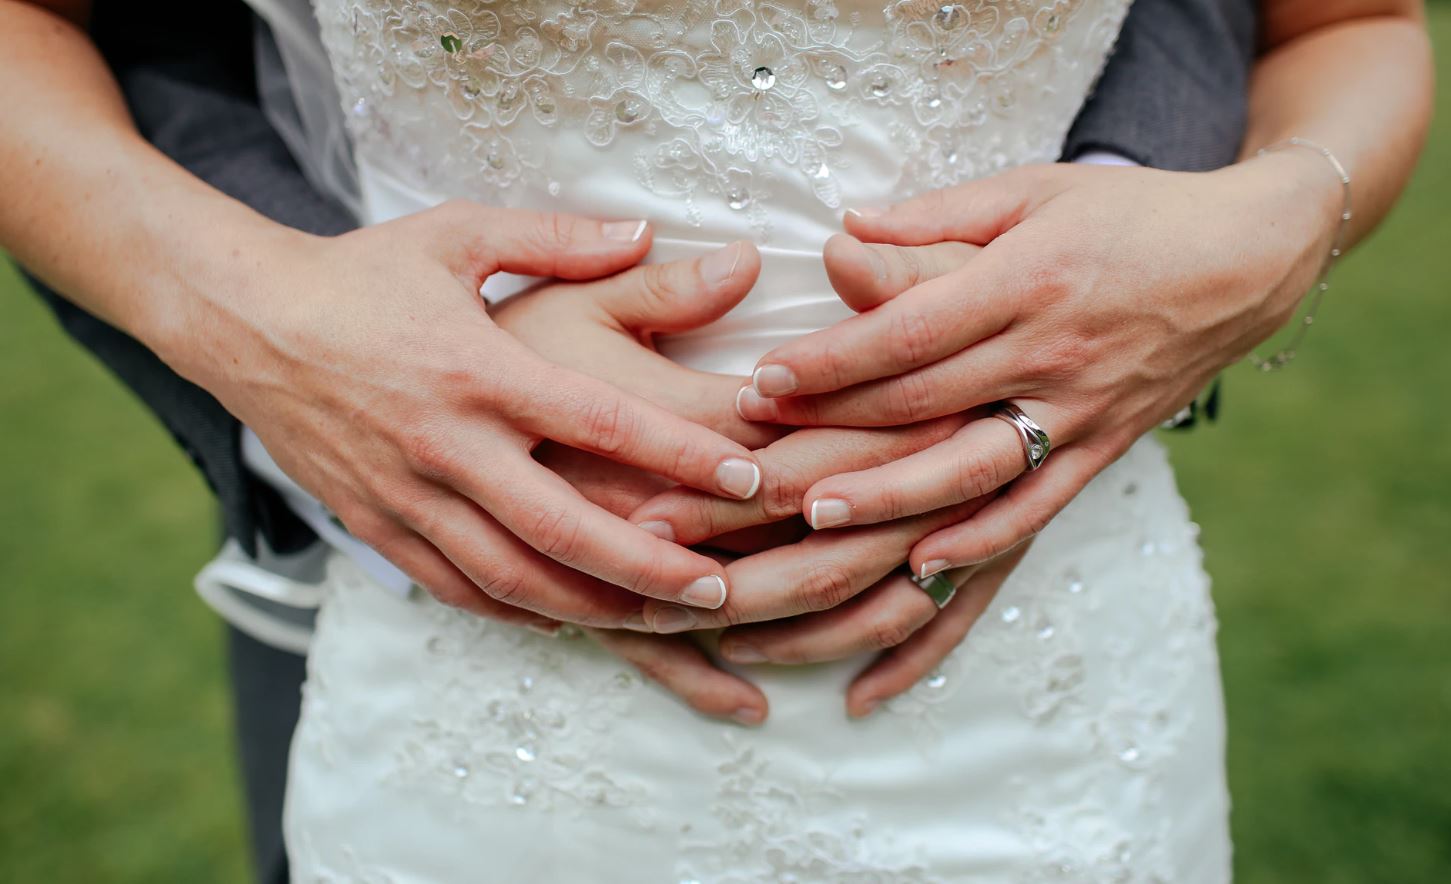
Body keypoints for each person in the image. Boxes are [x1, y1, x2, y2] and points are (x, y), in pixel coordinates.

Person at [0, 0, 1430, 881]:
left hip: (1050, 689)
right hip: (484, 701)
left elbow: (1343, 28)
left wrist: (1279, 215)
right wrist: (279, 323)